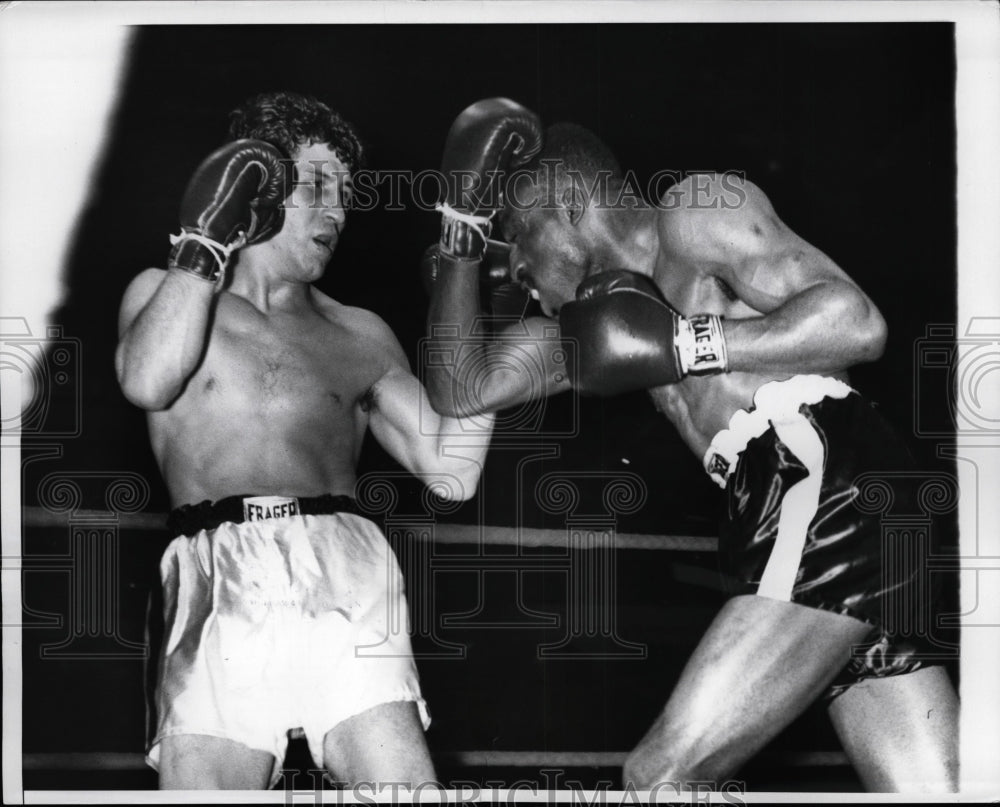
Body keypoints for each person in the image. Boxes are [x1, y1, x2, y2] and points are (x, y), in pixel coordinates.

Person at [422, 98, 958, 792]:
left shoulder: (693, 215)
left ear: (568, 202)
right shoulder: (589, 327)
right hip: (793, 506)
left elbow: (857, 323)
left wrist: (684, 343)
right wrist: (459, 229)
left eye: (517, 234)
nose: (514, 267)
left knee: (661, 774)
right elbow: (460, 387)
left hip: (823, 474)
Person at [115, 91, 493, 790]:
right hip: (214, 574)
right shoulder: (164, 294)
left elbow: (453, 468)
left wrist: (477, 302)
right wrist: (203, 248)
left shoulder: (360, 333)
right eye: (317, 185)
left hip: (345, 570)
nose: (337, 209)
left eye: (346, 193)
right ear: (258, 185)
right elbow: (146, 379)